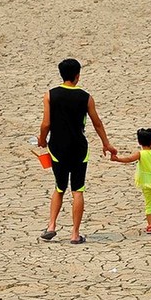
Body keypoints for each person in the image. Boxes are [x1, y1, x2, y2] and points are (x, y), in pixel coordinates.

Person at [37, 58, 117, 244]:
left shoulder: (50, 95)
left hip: (57, 147)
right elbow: (97, 123)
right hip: (79, 148)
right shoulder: (86, 97)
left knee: (59, 187)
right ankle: (74, 234)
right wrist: (106, 144)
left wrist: (42, 140)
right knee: (78, 190)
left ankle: (51, 226)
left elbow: (46, 123)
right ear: (77, 76)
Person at [110, 128, 151, 234]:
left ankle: (150, 225)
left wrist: (117, 159)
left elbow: (129, 159)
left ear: (139, 142)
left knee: (149, 203)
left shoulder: (140, 154)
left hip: (146, 182)